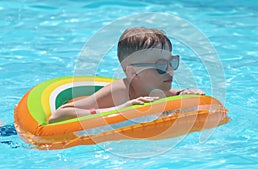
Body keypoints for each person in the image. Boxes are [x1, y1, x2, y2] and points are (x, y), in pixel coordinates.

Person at [49, 27, 205, 123]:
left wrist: (186, 93)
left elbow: (177, 95)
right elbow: (59, 115)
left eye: (172, 62)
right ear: (132, 72)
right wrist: (119, 110)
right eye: (161, 66)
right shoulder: (120, 91)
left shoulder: (161, 90)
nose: (170, 70)